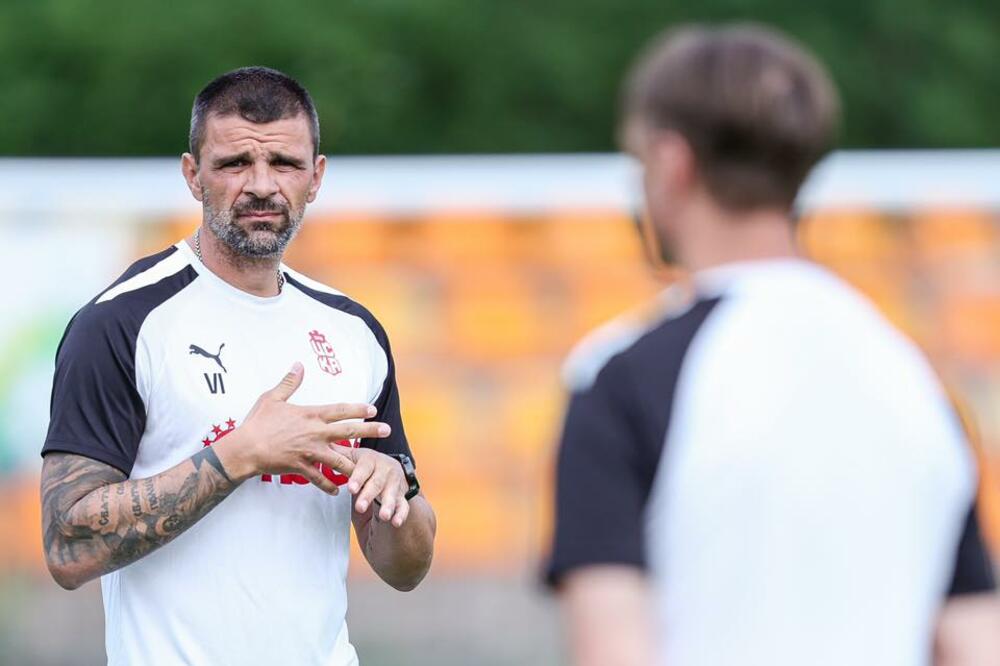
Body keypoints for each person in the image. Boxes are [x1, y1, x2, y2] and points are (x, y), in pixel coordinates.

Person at [545, 24, 999, 666]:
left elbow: (611, 649)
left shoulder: (620, 376)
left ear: (671, 163)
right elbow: (976, 643)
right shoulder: (914, 382)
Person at [39, 66, 436, 665]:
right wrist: (239, 455)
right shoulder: (121, 322)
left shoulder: (353, 332)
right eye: (233, 164)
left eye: (284, 163)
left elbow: (406, 570)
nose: (261, 185)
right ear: (192, 175)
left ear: (316, 177)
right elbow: (65, 548)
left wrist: (393, 496)